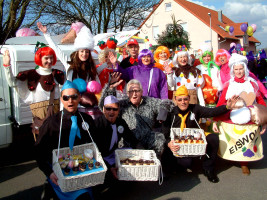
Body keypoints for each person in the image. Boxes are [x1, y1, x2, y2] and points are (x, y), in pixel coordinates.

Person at [162, 85, 238, 183]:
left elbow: (212, 112)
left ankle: (208, 168)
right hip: (177, 142)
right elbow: (164, 131)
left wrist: (227, 107)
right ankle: (172, 168)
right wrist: (169, 143)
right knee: (185, 162)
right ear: (175, 100)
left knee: (213, 138)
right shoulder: (171, 112)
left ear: (189, 99)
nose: (183, 102)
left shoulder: (195, 108)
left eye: (185, 99)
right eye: (180, 100)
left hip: (195, 138)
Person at [35, 80, 97, 200]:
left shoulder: (87, 120)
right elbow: (39, 150)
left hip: (82, 169)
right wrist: (49, 172)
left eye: (74, 97)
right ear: (62, 99)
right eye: (66, 97)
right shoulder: (52, 123)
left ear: (79, 98)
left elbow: (95, 145)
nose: (70, 101)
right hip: (59, 172)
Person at [213, 53, 267, 175]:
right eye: (236, 69)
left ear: (245, 68)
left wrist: (264, 121)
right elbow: (222, 102)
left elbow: (260, 101)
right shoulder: (229, 84)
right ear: (233, 70)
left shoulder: (252, 83)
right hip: (232, 116)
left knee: (247, 142)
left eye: (241, 68)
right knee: (231, 139)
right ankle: (232, 158)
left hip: (250, 117)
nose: (239, 71)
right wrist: (215, 120)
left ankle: (244, 163)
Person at [2, 47, 65, 141]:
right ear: (40, 59)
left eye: (51, 58)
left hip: (56, 119)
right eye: (46, 58)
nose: (49, 61)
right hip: (40, 120)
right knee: (43, 145)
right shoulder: (32, 75)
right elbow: (12, 83)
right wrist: (7, 66)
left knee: (57, 146)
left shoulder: (57, 74)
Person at [99, 74, 169, 157]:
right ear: (127, 93)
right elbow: (105, 105)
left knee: (159, 139)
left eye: (137, 91)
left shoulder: (150, 102)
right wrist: (110, 88)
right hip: (128, 139)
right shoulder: (122, 104)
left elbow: (166, 103)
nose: (134, 94)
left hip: (147, 138)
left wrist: (162, 114)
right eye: (131, 91)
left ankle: (153, 165)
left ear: (142, 92)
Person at [94, 95, 137, 190]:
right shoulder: (97, 124)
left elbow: (131, 138)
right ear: (104, 109)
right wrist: (108, 166)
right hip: (100, 158)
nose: (111, 112)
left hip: (114, 154)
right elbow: (94, 151)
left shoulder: (120, 122)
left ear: (118, 110)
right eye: (108, 109)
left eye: (114, 109)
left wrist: (135, 154)